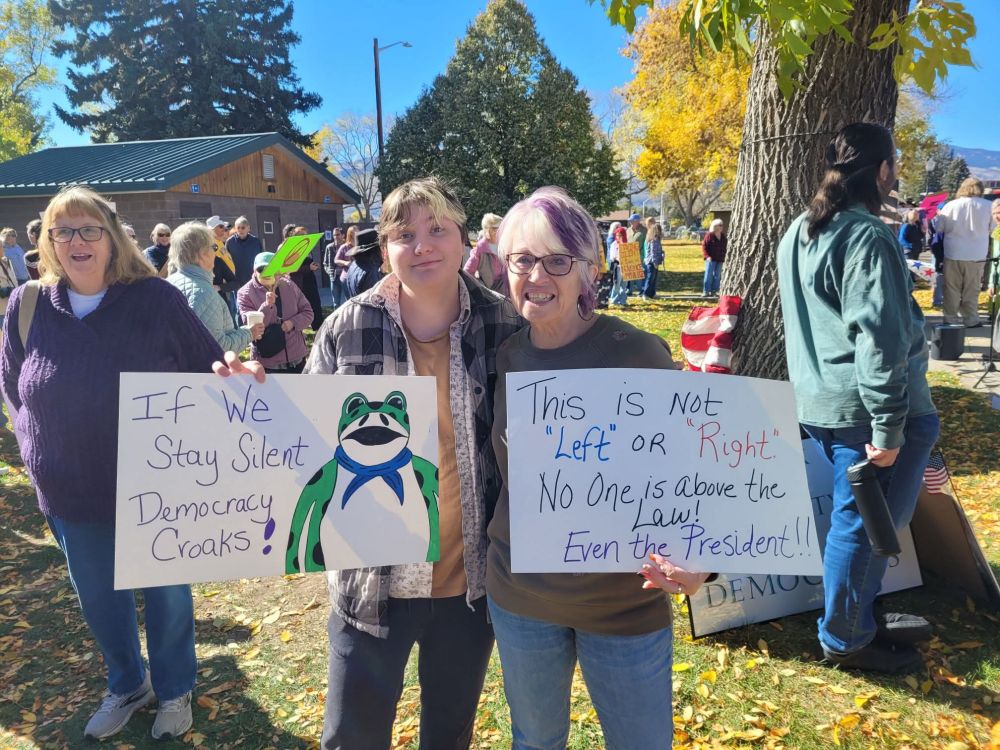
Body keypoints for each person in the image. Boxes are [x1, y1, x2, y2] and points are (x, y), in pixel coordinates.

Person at [215, 176, 522, 750]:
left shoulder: (505, 326)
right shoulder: (348, 326)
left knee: (449, 733)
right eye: (405, 234)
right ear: (385, 249)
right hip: (369, 582)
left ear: (464, 241)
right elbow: (303, 440)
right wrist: (254, 402)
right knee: (351, 736)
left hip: (470, 585)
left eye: (438, 230)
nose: (423, 244)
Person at [486, 186, 711, 748]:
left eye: (557, 260)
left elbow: (696, 472)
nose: (536, 275)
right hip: (522, 601)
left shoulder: (636, 354)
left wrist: (702, 561)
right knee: (535, 742)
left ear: (588, 271)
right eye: (521, 260)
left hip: (623, 606)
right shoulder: (504, 357)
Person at [0, 185, 224, 741]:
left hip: (155, 485)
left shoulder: (155, 300)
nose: (77, 240)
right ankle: (128, 683)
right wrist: (33, 445)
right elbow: (12, 386)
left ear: (112, 236)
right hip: (70, 490)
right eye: (63, 231)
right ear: (49, 241)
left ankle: (174, 689)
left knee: (167, 596)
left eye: (89, 229)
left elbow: (208, 367)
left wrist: (238, 377)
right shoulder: (27, 304)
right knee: (100, 598)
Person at [776, 123, 939, 674]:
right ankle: (845, 640)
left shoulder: (800, 229)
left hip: (820, 406)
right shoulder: (865, 234)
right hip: (866, 414)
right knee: (866, 528)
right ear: (884, 171)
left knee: (859, 524)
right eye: (896, 167)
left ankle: (854, 616)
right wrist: (889, 427)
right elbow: (880, 338)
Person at [167, 222, 262, 351]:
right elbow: (217, 347)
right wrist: (249, 333)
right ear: (202, 254)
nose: (216, 253)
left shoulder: (168, 284)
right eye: (214, 248)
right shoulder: (203, 293)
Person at [236, 251, 312, 373]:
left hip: (296, 357)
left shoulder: (289, 285)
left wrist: (292, 323)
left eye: (271, 269)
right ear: (254, 270)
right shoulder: (245, 293)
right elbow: (252, 327)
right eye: (262, 269)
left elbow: (308, 312)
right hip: (268, 362)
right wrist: (267, 305)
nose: (267, 273)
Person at [935, 177, 994, 327]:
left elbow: (939, 228)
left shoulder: (951, 205)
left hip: (953, 252)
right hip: (977, 254)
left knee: (952, 288)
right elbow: (994, 230)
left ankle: (950, 318)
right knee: (972, 288)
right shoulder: (988, 206)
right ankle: (970, 319)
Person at [285, 224, 325, 330]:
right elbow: (290, 269)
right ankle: (299, 328)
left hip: (310, 280)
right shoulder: (291, 249)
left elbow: (308, 263)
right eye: (301, 235)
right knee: (299, 306)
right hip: (298, 282)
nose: (304, 237)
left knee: (315, 302)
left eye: (305, 235)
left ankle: (317, 327)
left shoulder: (308, 248)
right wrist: (308, 268)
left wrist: (313, 267)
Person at [464, 213, 505, 291]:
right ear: (490, 230)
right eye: (500, 228)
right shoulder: (480, 250)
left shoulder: (505, 246)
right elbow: (467, 273)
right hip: (492, 296)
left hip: (507, 294)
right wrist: (480, 286)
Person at [344, 227, 383, 297]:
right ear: (374, 250)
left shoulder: (354, 264)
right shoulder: (370, 271)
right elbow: (373, 302)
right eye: (379, 247)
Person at [226, 215, 264, 287]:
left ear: (248, 228)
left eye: (243, 228)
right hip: (236, 281)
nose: (240, 230)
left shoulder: (256, 241)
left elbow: (261, 259)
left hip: (253, 279)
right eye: (238, 228)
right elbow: (227, 261)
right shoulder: (230, 242)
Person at [322, 226, 348, 309]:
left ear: (343, 235)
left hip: (345, 277)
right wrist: (329, 272)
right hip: (334, 278)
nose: (335, 237)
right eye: (334, 235)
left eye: (337, 234)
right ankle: (337, 321)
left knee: (348, 300)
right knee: (336, 302)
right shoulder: (329, 247)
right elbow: (325, 263)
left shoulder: (347, 247)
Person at [702, 218, 727, 296]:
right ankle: (706, 291)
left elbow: (725, 246)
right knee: (708, 275)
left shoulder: (723, 236)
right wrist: (707, 256)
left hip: (720, 259)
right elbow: (704, 247)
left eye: (722, 225)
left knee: (717, 276)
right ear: (715, 226)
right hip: (710, 259)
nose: (721, 227)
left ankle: (715, 291)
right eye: (720, 225)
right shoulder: (709, 235)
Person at [606, 225, 629, 306]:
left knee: (624, 285)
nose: (618, 237)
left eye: (620, 235)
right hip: (618, 266)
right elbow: (612, 257)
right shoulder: (614, 244)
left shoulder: (627, 244)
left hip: (626, 266)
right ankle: (614, 299)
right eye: (617, 235)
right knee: (617, 284)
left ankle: (623, 300)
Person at [642, 217, 664, 298]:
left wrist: (662, 253)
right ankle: (646, 293)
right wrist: (655, 262)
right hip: (652, 261)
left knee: (654, 278)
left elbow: (657, 250)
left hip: (653, 261)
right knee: (650, 277)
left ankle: (652, 293)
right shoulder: (654, 239)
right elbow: (653, 252)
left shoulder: (655, 239)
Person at [625, 213, 645, 295]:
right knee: (629, 274)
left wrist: (642, 256)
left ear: (638, 221)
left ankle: (641, 290)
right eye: (630, 221)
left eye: (632, 221)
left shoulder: (644, 230)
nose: (631, 222)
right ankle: (629, 290)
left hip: (639, 255)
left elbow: (645, 244)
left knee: (638, 274)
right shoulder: (628, 230)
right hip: (628, 255)